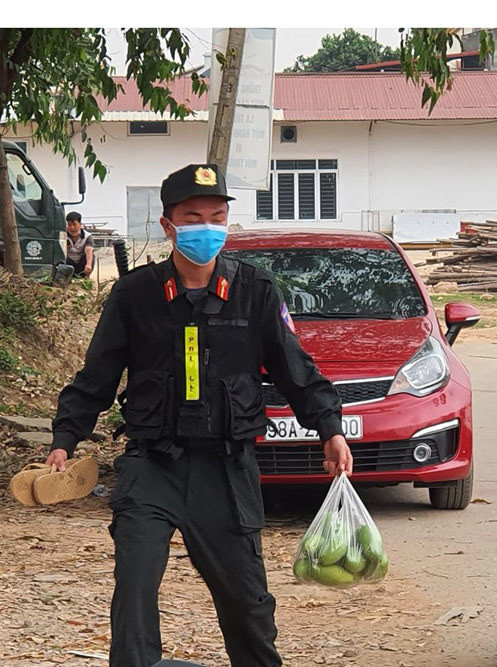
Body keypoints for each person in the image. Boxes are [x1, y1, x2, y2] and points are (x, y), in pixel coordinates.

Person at [47, 164, 354, 667]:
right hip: (151, 468)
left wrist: (330, 430)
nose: (207, 227)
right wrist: (65, 438)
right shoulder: (134, 295)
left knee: (248, 605)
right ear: (168, 225)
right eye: (193, 217)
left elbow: (295, 369)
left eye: (217, 216)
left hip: (227, 470)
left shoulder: (255, 292)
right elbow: (96, 377)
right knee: (134, 594)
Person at [65, 211, 94, 277]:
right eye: (69, 225)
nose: (72, 227)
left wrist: (89, 265)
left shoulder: (88, 236)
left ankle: (85, 277)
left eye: (74, 224)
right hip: (68, 262)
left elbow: (88, 250)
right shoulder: (63, 235)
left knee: (91, 256)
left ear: (80, 224)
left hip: (81, 263)